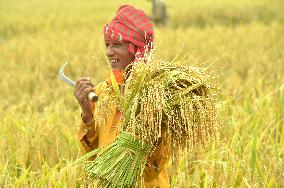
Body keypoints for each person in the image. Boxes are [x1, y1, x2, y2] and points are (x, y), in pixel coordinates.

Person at [74, 5, 170, 187]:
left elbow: (152, 171)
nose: (109, 52)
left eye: (117, 45)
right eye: (107, 45)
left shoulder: (156, 94)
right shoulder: (103, 92)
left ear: (136, 48)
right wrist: (87, 114)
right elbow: (93, 158)